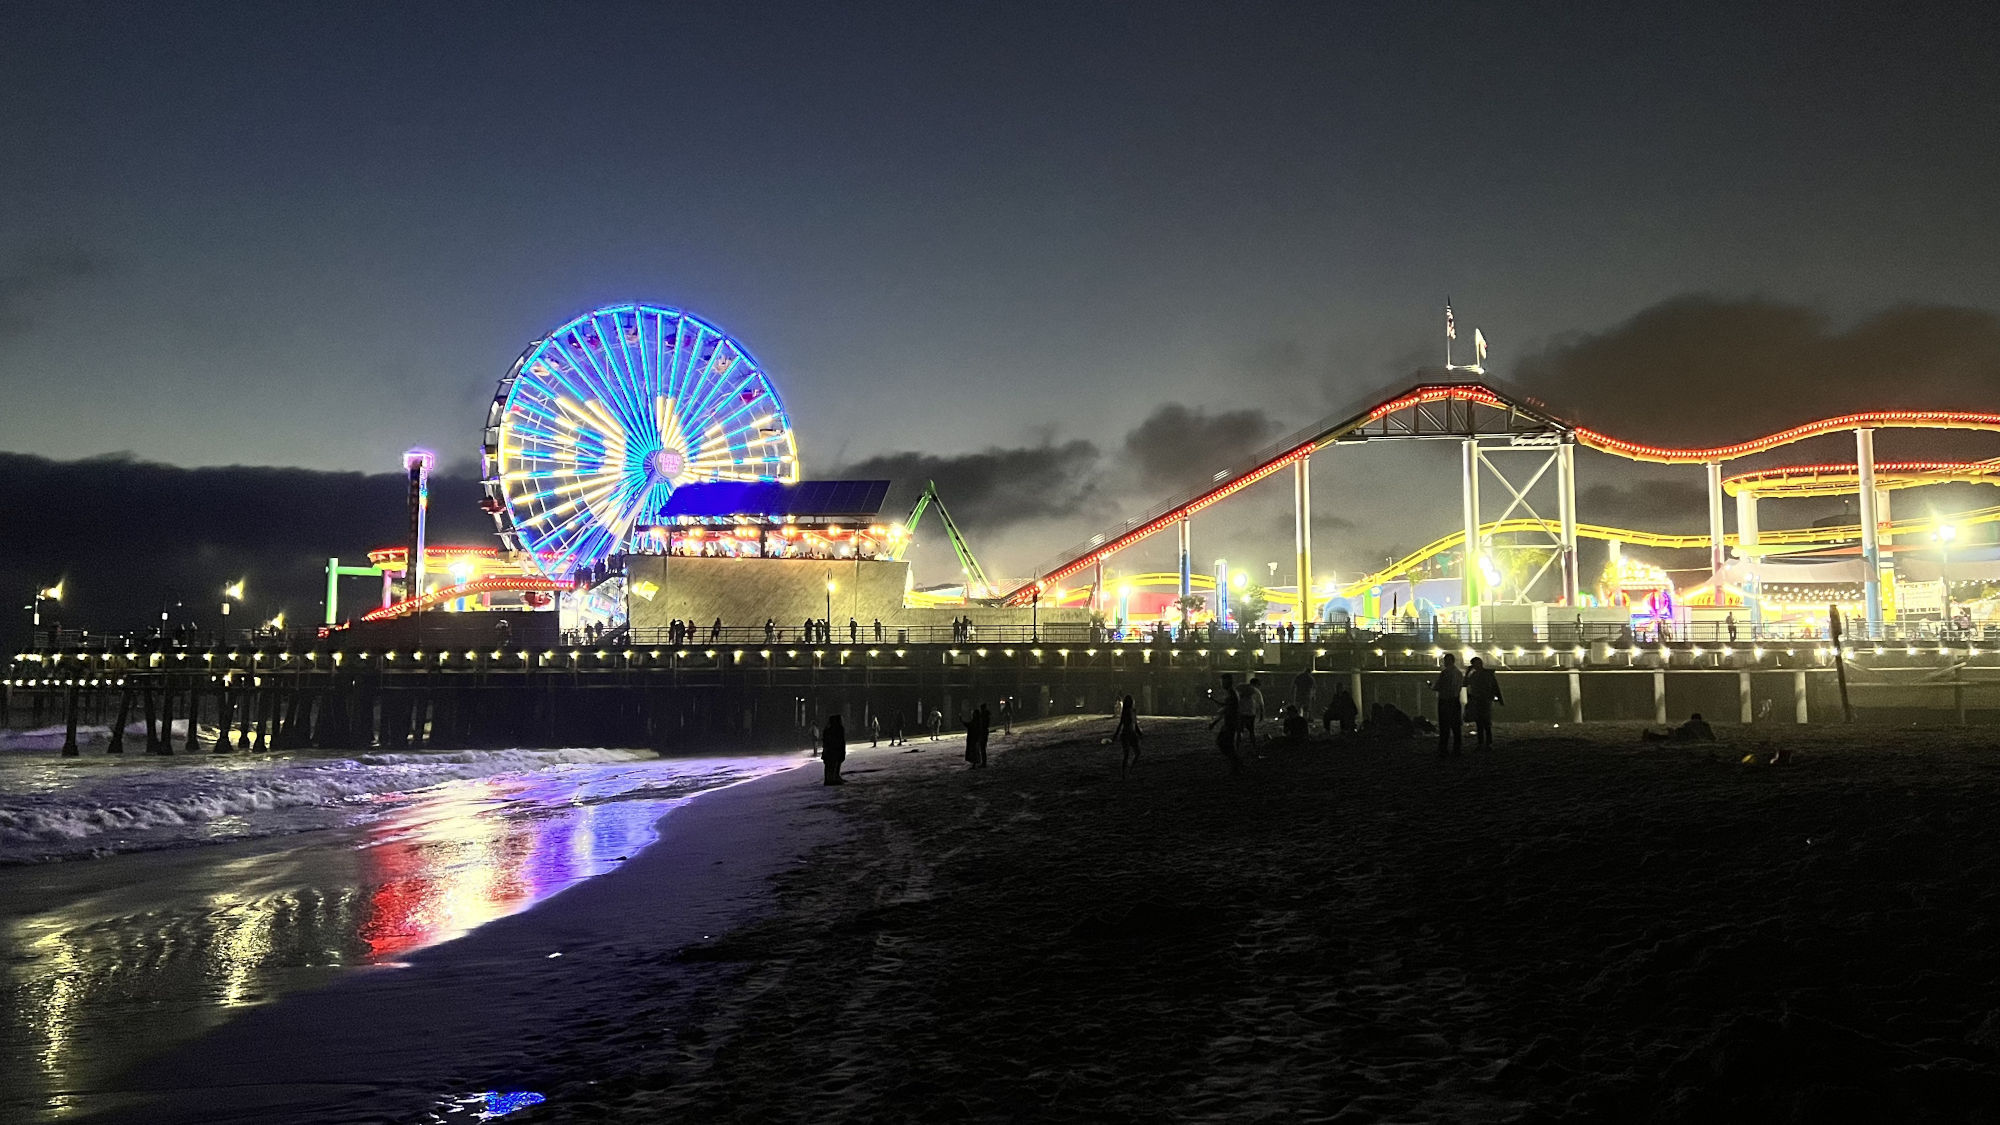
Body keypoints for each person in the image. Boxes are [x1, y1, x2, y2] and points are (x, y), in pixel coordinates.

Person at [1463, 656, 1504, 750]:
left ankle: (1485, 743)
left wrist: (1467, 673)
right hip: (1481, 700)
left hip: (1483, 700)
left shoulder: (1479, 675)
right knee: (1482, 722)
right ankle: (1485, 743)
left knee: (1484, 722)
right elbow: (1495, 686)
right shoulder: (1483, 674)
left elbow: (1494, 686)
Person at [1209, 674, 1243, 775]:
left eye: (1223, 682)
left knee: (1223, 743)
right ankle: (1236, 766)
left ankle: (1237, 765)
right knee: (1226, 744)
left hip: (1230, 723)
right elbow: (1226, 706)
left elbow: (1227, 709)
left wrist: (1215, 722)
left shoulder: (1231, 694)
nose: (1221, 684)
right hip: (1231, 722)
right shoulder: (1232, 693)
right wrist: (1213, 700)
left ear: (1228, 681)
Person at [1433, 653, 1464, 758]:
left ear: (1447, 661)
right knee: (1456, 727)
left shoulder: (1445, 673)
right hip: (1455, 700)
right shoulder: (1459, 673)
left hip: (1445, 700)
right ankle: (1457, 749)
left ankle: (1443, 749)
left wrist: (1431, 686)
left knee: (1444, 726)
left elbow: (1438, 686)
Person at [1114, 694, 1142, 775]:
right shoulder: (1129, 712)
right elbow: (1126, 724)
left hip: (1129, 734)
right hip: (1128, 734)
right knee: (1129, 754)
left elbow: (1133, 724)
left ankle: (1127, 771)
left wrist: (1139, 733)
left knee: (1133, 753)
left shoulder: (1131, 711)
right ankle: (1126, 771)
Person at [1642, 713, 1716, 742]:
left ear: (1692, 718)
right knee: (1668, 739)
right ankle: (1650, 736)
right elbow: (1712, 737)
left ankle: (1650, 735)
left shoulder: (1688, 723)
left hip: (1684, 735)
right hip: (1695, 739)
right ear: (1700, 718)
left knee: (1665, 738)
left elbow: (1680, 729)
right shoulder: (1705, 724)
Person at [1237, 676, 1265, 749]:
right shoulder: (1256, 691)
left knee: (1239, 730)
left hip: (1241, 712)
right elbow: (1261, 704)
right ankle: (1253, 745)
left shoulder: (1241, 688)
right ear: (1256, 684)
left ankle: (1237, 745)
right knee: (1251, 731)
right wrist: (1262, 715)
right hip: (1250, 713)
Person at [821, 715, 847, 785]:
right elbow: (840, 740)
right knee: (833, 764)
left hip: (830, 750)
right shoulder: (838, 729)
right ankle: (832, 779)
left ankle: (830, 778)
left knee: (830, 765)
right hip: (834, 750)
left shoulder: (828, 729)